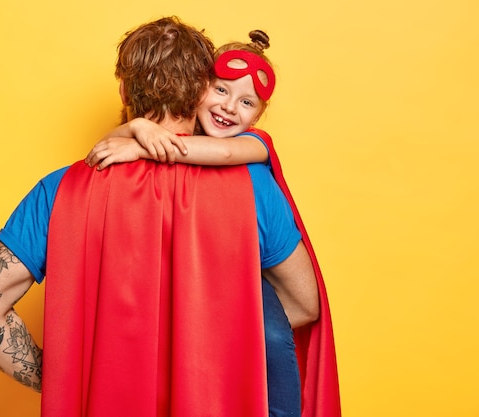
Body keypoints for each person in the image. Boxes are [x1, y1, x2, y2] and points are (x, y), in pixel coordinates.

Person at [0, 17, 323, 417]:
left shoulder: (59, 190)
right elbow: (303, 305)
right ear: (202, 90)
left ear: (125, 89)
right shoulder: (250, 185)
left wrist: (67, 379)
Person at [85, 30, 342, 417]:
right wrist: (139, 128)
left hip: (262, 353)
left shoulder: (254, 148)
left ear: (258, 115)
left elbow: (220, 151)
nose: (230, 108)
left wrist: (143, 142)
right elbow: (103, 148)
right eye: (220, 91)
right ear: (197, 89)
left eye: (246, 102)